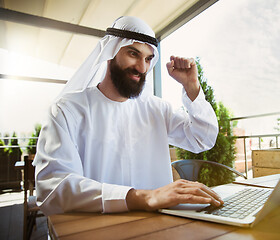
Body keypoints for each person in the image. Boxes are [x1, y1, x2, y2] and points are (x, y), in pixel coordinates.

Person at [33, 16, 221, 216]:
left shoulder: (157, 109)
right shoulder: (67, 110)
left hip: (160, 226)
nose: (142, 68)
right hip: (96, 229)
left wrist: (191, 86)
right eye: (133, 53)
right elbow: (53, 190)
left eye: (148, 59)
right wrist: (144, 198)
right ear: (110, 52)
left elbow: (203, 138)